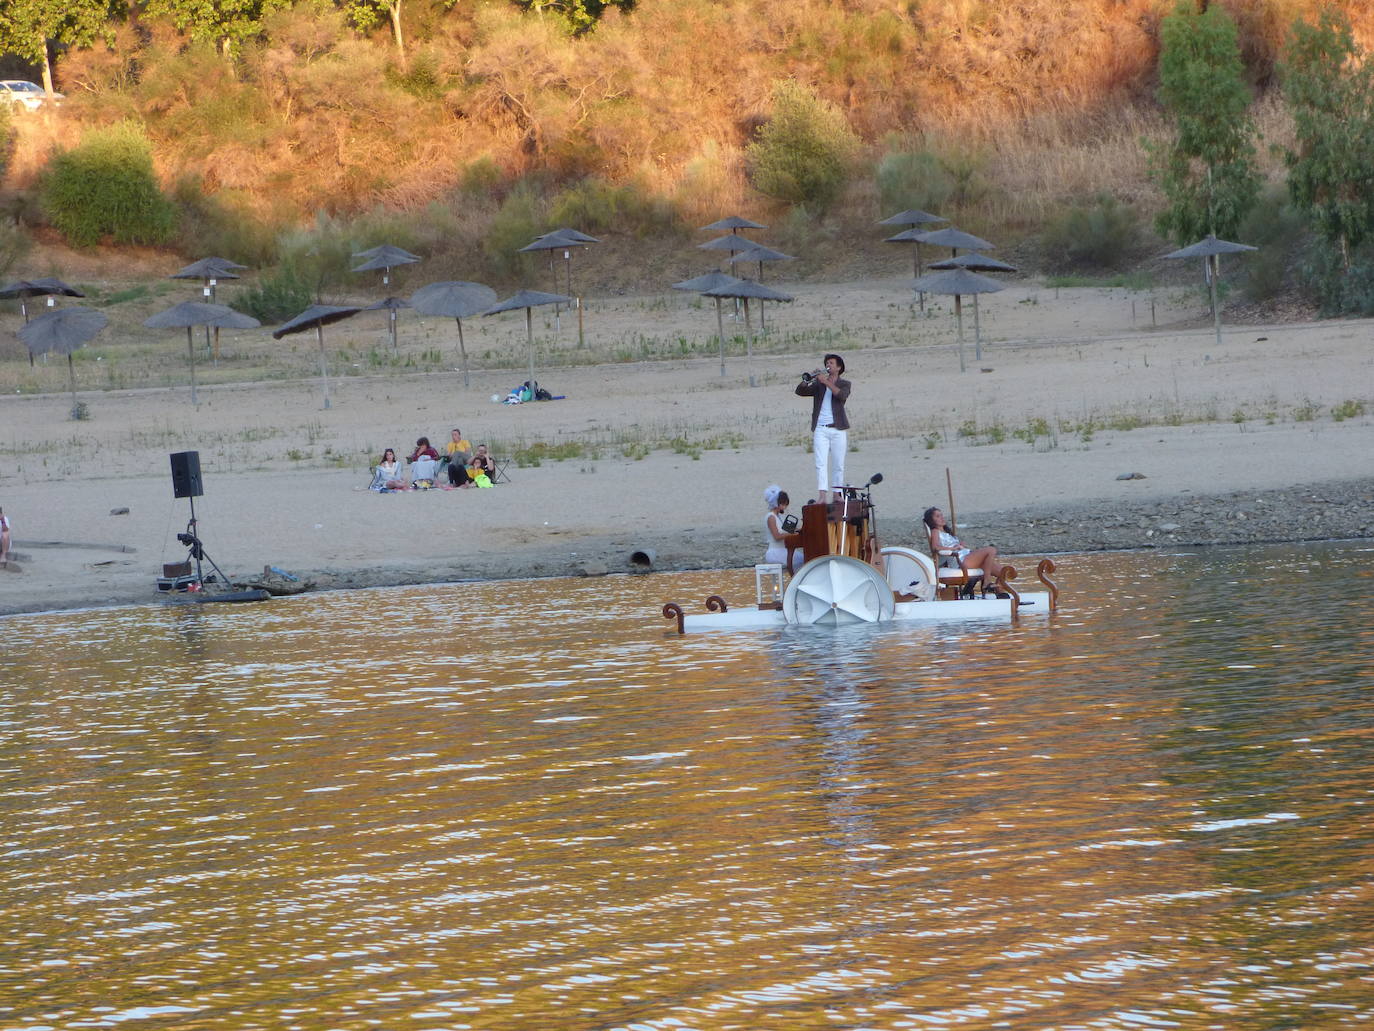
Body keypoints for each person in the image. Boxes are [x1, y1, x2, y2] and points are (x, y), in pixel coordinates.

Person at [795, 353, 850, 505]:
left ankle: (837, 494)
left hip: (838, 428)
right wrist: (808, 379)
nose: (829, 365)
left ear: (839, 367)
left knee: (838, 463)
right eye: (827, 363)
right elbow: (800, 391)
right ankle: (822, 496)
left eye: (832, 363)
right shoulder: (818, 384)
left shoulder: (845, 383)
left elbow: (841, 396)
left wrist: (826, 382)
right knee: (820, 463)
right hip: (821, 428)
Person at [921, 506, 1006, 596]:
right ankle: (987, 583)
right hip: (960, 561)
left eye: (941, 515)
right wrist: (954, 548)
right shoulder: (935, 531)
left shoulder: (947, 532)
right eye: (937, 516)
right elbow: (935, 547)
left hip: (967, 556)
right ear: (931, 520)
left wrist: (960, 545)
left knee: (1002, 571)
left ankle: (1000, 593)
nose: (942, 518)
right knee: (991, 550)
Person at [762, 485, 799, 573]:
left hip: (782, 550)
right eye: (783, 504)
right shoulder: (771, 517)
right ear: (777, 503)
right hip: (775, 552)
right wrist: (792, 533)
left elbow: (791, 529)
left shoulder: (780, 517)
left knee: (803, 558)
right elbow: (777, 536)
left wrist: (799, 530)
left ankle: (796, 581)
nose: (785, 507)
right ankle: (796, 582)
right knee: (801, 560)